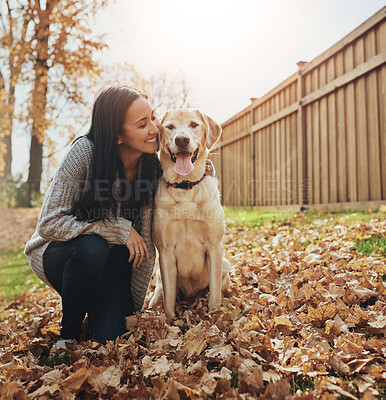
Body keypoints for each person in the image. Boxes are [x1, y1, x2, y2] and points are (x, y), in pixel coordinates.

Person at [24, 86, 214, 347]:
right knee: (93, 247)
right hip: (61, 253)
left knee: (111, 335)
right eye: (142, 124)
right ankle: (67, 336)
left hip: (111, 262)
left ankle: (93, 303)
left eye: (153, 118)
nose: (155, 129)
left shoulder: (152, 165)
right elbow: (48, 223)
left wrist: (131, 308)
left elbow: (147, 245)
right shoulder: (84, 154)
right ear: (117, 136)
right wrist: (116, 229)